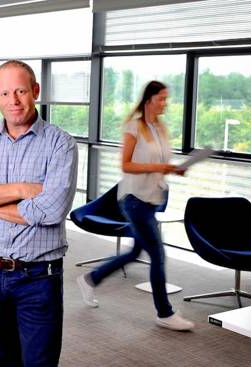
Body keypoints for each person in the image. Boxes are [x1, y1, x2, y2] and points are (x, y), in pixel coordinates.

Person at [0, 60, 78, 367]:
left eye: (21, 91)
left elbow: (51, 210)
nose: (14, 101)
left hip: (37, 277)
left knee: (39, 363)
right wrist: (22, 189)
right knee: (3, 359)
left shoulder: (61, 144)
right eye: (5, 93)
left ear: (35, 91)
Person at [76, 81, 195, 331]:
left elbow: (159, 163)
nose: (165, 103)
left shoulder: (160, 128)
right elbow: (126, 165)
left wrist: (173, 169)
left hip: (152, 199)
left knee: (134, 253)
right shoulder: (135, 127)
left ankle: (90, 279)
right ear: (149, 99)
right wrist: (159, 167)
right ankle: (164, 313)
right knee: (158, 256)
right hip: (134, 200)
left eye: (166, 99)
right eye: (161, 98)